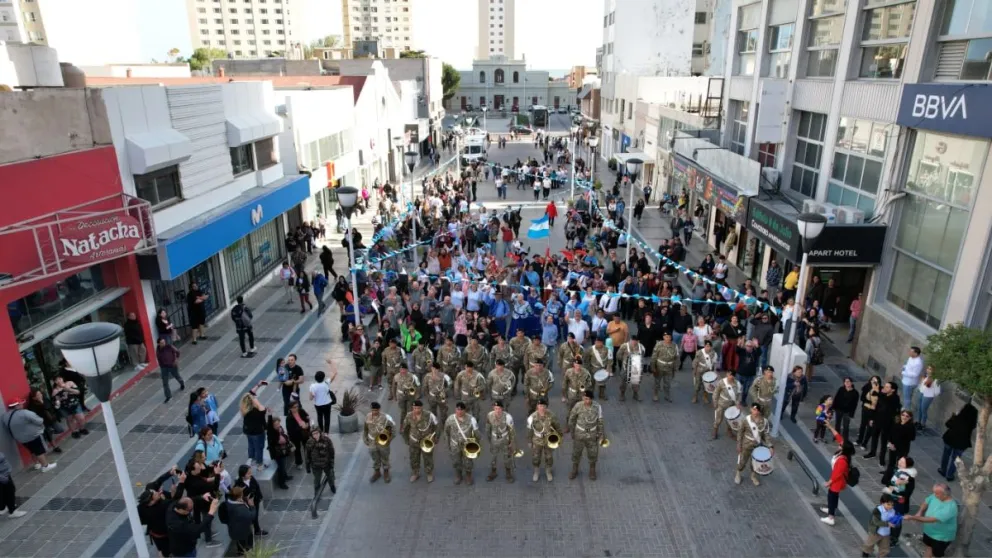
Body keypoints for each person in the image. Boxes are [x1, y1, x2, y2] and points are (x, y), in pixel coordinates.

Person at [138, 467, 185, 555]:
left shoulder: (141, 506)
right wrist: (181, 482)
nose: (158, 492)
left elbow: (157, 482)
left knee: (162, 551)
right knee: (167, 552)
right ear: (152, 501)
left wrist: (169, 473)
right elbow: (176, 500)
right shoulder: (161, 506)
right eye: (156, 493)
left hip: (154, 532)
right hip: (163, 535)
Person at [903, 483, 958, 558]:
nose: (934, 495)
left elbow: (931, 520)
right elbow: (926, 502)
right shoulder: (936, 495)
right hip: (929, 532)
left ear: (945, 494)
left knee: (936, 555)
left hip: (941, 537)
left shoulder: (950, 507)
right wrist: (920, 512)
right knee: (929, 547)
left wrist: (913, 517)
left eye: (937, 494)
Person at [2, 401, 56, 471]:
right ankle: (45, 466)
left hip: (20, 438)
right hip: (32, 435)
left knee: (32, 451)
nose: (22, 405)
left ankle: (37, 464)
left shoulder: (5, 416)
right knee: (39, 451)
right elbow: (39, 421)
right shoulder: (24, 412)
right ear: (16, 406)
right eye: (21, 404)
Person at [820, 422, 856, 526]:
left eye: (841, 445)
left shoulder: (842, 460)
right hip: (837, 480)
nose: (839, 444)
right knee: (833, 496)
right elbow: (838, 436)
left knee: (832, 496)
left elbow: (837, 474)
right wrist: (830, 426)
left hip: (837, 482)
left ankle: (831, 517)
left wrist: (829, 482)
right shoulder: (843, 453)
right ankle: (831, 509)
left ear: (844, 449)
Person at [569, 390, 605, 481]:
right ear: (582, 398)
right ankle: (574, 469)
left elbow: (600, 421)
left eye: (588, 399)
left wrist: (600, 435)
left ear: (591, 399)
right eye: (585, 399)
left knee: (593, 453)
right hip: (580, 433)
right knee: (576, 452)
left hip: (592, 434)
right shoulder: (578, 406)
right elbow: (572, 419)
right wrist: (572, 432)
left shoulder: (597, 407)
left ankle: (592, 470)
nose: (587, 401)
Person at [443, 401, 481, 485]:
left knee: (468, 461)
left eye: (461, 410)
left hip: (467, 445)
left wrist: (477, 444)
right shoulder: (450, 419)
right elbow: (446, 431)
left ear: (465, 410)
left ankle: (468, 475)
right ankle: (458, 475)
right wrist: (448, 444)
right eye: (457, 410)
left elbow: (476, 433)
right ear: (455, 410)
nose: (459, 412)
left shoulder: (471, 419)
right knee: (456, 461)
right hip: (455, 444)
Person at [938, 403, 977, 482]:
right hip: (962, 443)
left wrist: (954, 415)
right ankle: (950, 475)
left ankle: (943, 470)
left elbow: (947, 424)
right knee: (955, 459)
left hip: (950, 439)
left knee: (946, 455)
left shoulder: (957, 417)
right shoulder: (971, 422)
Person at [401, 400, 438, 483]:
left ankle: (429, 473)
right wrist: (407, 440)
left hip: (426, 442)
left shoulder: (429, 415)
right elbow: (404, 429)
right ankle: (415, 473)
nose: (416, 410)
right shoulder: (409, 416)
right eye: (414, 408)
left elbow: (436, 425)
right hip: (414, 442)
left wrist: (435, 438)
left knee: (428, 458)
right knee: (414, 458)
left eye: (418, 408)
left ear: (421, 408)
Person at [484, 400, 516, 483]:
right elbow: (488, 428)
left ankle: (508, 473)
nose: (497, 410)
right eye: (496, 408)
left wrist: (511, 442)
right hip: (494, 439)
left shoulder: (508, 417)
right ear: (493, 408)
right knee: (493, 456)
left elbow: (512, 431)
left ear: (502, 408)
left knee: (507, 457)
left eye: (499, 408)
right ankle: (493, 472)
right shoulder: (489, 415)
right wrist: (489, 439)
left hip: (505, 438)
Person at [363, 401, 394, 484]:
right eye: (373, 410)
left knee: (385, 457)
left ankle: (386, 472)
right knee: (375, 457)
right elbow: (365, 429)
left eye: (376, 410)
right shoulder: (368, 417)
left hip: (383, 442)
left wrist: (389, 439)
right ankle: (377, 472)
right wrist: (365, 439)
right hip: (372, 441)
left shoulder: (385, 417)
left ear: (379, 409)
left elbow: (393, 428)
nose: (374, 412)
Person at [223, 486, 257, 555]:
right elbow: (252, 516)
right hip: (243, 530)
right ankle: (245, 553)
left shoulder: (227, 502)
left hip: (233, 528)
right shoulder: (239, 509)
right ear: (239, 497)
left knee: (240, 543)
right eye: (241, 493)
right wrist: (252, 506)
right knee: (245, 543)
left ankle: (241, 552)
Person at [239, 385, 267, 470]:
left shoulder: (244, 409)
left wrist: (258, 385)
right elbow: (263, 409)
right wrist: (257, 402)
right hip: (257, 432)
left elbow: (249, 393)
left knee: (251, 445)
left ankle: (252, 459)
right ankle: (259, 463)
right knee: (259, 447)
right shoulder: (256, 411)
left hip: (248, 431)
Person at [861, 493, 897, 558]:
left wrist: (895, 522)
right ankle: (866, 552)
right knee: (870, 543)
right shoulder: (877, 510)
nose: (890, 506)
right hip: (876, 531)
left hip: (886, 532)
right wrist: (887, 524)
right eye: (888, 504)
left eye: (892, 505)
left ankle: (882, 556)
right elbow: (876, 522)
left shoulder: (893, 511)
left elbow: (893, 519)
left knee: (885, 547)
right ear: (882, 503)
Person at [305, 429, 337, 496]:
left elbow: (331, 451)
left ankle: (332, 486)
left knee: (330, 476)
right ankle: (317, 492)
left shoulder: (326, 440)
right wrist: (307, 467)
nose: (316, 435)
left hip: (326, 463)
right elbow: (307, 455)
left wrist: (331, 463)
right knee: (317, 480)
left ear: (319, 433)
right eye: (314, 434)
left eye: (317, 433)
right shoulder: (309, 442)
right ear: (311, 435)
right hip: (316, 466)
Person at [712, 369, 742, 440]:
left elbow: (739, 394)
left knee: (730, 419)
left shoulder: (737, 383)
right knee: (718, 419)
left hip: (731, 404)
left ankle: (729, 431)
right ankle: (715, 431)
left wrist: (738, 403)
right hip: (722, 403)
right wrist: (715, 402)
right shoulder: (721, 382)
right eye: (729, 374)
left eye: (732, 375)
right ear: (727, 374)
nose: (730, 376)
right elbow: (716, 393)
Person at [266, 416, 293, 490]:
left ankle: (285, 476)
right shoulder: (271, 432)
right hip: (277, 453)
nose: (278, 425)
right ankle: (281, 483)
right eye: (276, 424)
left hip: (283, 450)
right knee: (281, 467)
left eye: (278, 423)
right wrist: (270, 415)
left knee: (283, 464)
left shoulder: (279, 429)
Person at [156, 338, 186, 404]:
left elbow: (177, 352)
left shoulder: (169, 346)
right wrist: (161, 365)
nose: (163, 343)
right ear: (158, 344)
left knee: (177, 376)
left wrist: (176, 360)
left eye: (164, 342)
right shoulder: (158, 350)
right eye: (162, 343)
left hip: (172, 365)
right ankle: (168, 396)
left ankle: (182, 383)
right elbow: (158, 358)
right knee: (165, 382)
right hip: (164, 367)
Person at [650, 332, 678, 403]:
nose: (668, 338)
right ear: (663, 337)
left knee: (667, 383)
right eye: (666, 336)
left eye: (669, 337)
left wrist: (676, 367)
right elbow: (654, 356)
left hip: (669, 367)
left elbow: (677, 357)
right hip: (660, 367)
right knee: (657, 382)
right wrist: (653, 367)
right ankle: (655, 394)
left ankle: (667, 395)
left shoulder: (674, 345)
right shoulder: (659, 344)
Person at [857, 376, 881, 450]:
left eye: (875, 381)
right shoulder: (866, 387)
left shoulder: (880, 390)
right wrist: (870, 401)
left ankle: (865, 443)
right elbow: (862, 398)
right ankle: (859, 440)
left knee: (870, 427)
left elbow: (879, 401)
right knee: (863, 425)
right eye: (872, 380)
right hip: (865, 408)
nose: (873, 382)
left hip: (874, 411)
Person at [834, 376, 860, 441]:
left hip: (847, 412)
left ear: (851, 383)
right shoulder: (841, 389)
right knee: (837, 424)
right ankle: (837, 437)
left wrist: (852, 413)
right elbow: (836, 398)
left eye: (848, 381)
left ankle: (845, 439)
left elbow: (855, 404)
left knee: (846, 426)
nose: (847, 383)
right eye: (845, 382)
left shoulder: (855, 393)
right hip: (839, 409)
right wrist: (833, 407)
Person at [0, 452, 24, 518]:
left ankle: (2, 507)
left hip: (4, 474)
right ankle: (13, 511)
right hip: (3, 476)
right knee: (9, 491)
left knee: (4, 492)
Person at [917, 365, 940, 431]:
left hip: (928, 396)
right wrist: (920, 389)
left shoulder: (935, 379)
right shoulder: (925, 376)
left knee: (923, 410)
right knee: (919, 409)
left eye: (930, 369)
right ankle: (919, 422)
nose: (928, 370)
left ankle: (923, 425)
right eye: (928, 368)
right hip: (921, 393)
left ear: (933, 371)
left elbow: (937, 391)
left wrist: (931, 394)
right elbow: (921, 385)